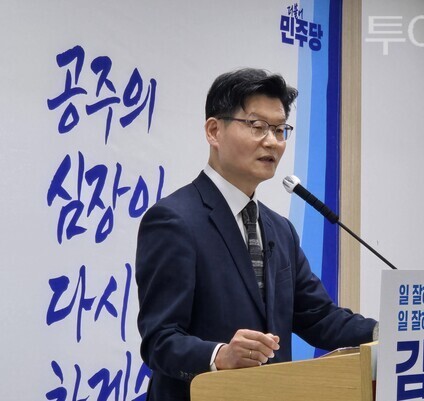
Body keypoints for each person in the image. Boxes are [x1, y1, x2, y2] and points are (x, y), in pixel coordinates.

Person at [135, 68, 377, 401]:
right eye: (257, 126)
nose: (272, 141)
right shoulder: (174, 220)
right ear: (214, 131)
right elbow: (160, 340)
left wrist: (389, 332)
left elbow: (319, 318)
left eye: (279, 130)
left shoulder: (280, 229)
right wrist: (220, 355)